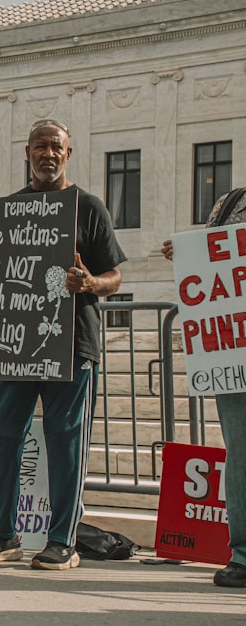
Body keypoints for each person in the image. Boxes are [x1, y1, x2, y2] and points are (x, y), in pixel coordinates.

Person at [0, 119, 126, 570]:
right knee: (3, 437)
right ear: (27, 153)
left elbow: (115, 276)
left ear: (68, 154)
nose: (48, 154)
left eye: (56, 147)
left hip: (72, 346)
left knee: (66, 443)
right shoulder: (9, 212)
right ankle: (2, 536)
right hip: (13, 344)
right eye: (40, 147)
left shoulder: (89, 207)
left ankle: (62, 542)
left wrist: (90, 282)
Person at [161, 191, 246, 588]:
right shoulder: (229, 202)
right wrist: (185, 255)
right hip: (233, 350)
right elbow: (212, 259)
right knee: (241, 453)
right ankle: (242, 555)